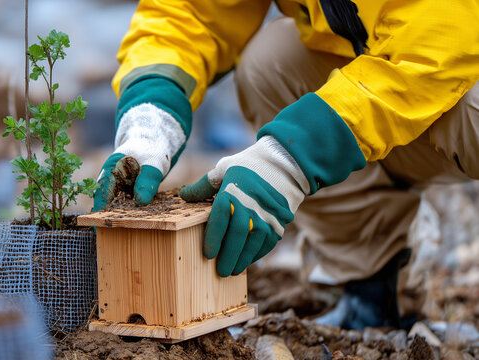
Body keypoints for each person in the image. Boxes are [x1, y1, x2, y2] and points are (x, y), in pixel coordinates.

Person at [93, 0, 479, 330]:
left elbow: (442, 45)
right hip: (404, 90)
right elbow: (193, 13)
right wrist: (150, 118)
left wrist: (291, 157)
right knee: (271, 63)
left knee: (465, 96)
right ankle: (371, 290)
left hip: (458, 71)